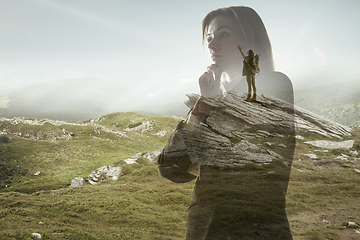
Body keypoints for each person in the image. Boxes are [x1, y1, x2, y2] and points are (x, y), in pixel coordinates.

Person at [158, 6, 295, 240]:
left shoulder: (273, 84)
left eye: (223, 34)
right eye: (209, 38)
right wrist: (203, 104)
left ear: (250, 37)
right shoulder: (211, 99)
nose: (211, 45)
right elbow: (170, 167)